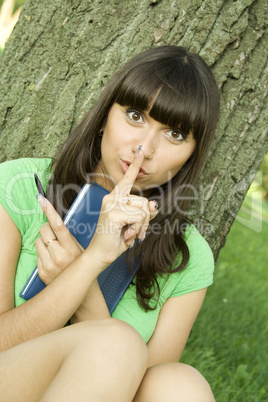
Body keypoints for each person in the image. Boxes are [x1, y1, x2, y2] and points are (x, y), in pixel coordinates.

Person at [0, 45, 219, 401]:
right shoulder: (19, 187)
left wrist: (82, 275)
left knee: (181, 385)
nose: (144, 149)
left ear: (192, 153)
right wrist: (89, 262)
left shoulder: (189, 255)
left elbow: (140, 389)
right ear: (105, 115)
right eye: (134, 115)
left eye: (175, 134)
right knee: (118, 343)